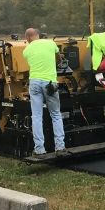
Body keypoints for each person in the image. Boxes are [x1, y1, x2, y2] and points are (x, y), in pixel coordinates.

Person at [22, 28, 68, 156]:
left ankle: (39, 149)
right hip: (49, 83)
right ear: (38, 35)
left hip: (35, 83)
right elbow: (59, 59)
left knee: (36, 116)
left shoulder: (26, 50)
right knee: (56, 115)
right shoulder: (51, 43)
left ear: (28, 38)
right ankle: (60, 147)